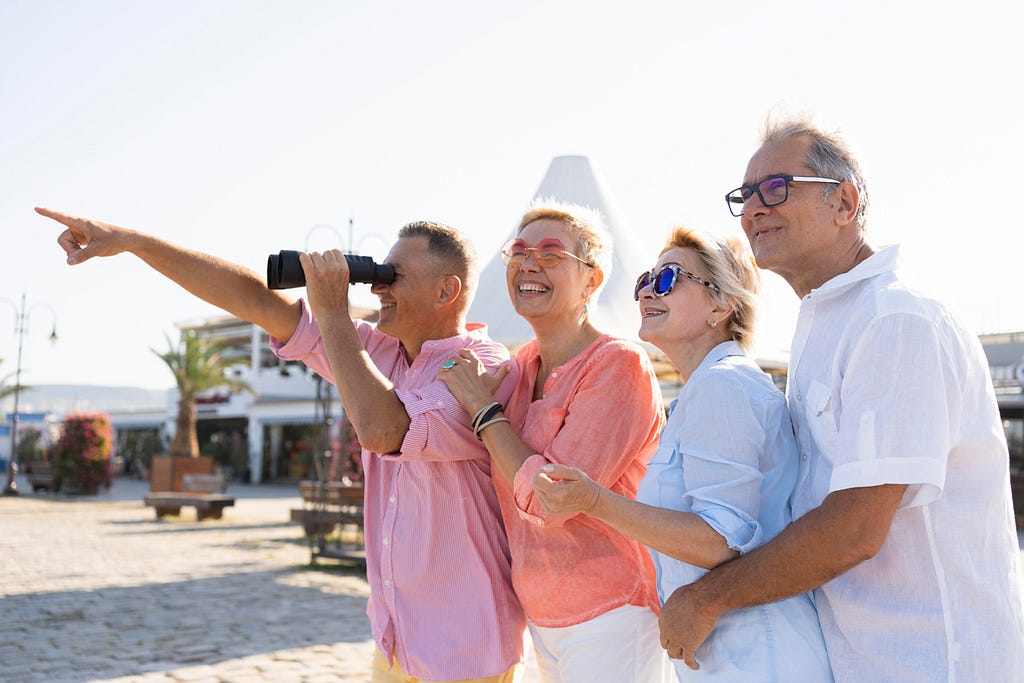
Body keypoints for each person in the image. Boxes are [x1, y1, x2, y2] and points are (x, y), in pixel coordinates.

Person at [36, 207, 527, 683]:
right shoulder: (378, 354)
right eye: (377, 273)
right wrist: (135, 242)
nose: (377, 286)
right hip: (397, 638)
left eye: (393, 275)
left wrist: (333, 311)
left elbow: (384, 431)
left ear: (447, 290)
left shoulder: (482, 365)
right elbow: (255, 300)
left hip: (466, 645)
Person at [657, 117, 1024, 681]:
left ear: (844, 202)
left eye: (776, 188)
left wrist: (707, 599)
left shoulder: (895, 319)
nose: (754, 208)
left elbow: (855, 527)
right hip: (860, 656)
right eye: (744, 196)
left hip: (931, 661)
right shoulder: (830, 322)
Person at [531, 226, 832, 682]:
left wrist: (595, 502)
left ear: (720, 304)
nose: (649, 290)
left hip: (759, 657)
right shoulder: (709, 388)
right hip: (732, 652)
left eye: (670, 278)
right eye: (645, 281)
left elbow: (720, 540)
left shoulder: (724, 385)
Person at [436, 200, 670, 683]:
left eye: (550, 253)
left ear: (592, 280)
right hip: (540, 613)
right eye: (519, 251)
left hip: (612, 610)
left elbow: (551, 500)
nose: (529, 263)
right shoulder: (519, 366)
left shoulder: (618, 364)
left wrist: (485, 410)